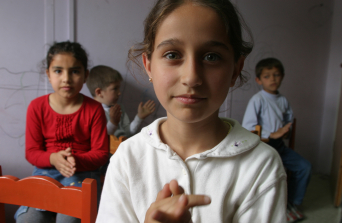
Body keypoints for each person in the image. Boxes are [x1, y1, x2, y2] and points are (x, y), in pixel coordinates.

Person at [96, 1, 287, 222]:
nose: (191, 77)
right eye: (172, 55)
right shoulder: (127, 158)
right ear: (149, 66)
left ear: (235, 70)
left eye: (211, 57)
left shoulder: (261, 166)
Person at [15, 41, 109, 223]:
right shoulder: (37, 107)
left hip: (83, 175)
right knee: (27, 220)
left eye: (75, 71)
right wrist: (53, 159)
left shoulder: (94, 109)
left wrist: (75, 160)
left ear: (85, 75)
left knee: (68, 220)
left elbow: (101, 154)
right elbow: (32, 152)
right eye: (58, 71)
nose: (66, 78)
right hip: (45, 174)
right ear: (48, 74)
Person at [242, 57, 311, 222]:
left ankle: (291, 203)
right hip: (264, 148)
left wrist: (286, 132)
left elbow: (288, 121)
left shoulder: (283, 100)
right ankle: (272, 207)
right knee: (274, 176)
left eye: (276, 75)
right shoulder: (258, 100)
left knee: (304, 167)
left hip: (280, 147)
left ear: (282, 77)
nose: (272, 79)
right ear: (259, 80)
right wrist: (271, 134)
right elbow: (248, 127)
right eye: (267, 76)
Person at [86, 65, 156, 138]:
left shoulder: (119, 108)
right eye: (115, 88)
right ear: (99, 92)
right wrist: (113, 122)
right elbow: (100, 138)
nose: (119, 93)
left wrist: (139, 117)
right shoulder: (90, 112)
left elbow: (128, 133)